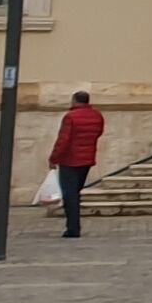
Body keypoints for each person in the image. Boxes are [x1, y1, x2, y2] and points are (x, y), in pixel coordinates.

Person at [50, 89, 106, 239]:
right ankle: (73, 226)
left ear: (74, 100)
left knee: (70, 195)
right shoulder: (97, 116)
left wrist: (53, 158)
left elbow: (63, 140)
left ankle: (73, 228)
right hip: (87, 159)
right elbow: (98, 132)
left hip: (70, 160)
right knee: (76, 192)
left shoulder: (70, 117)